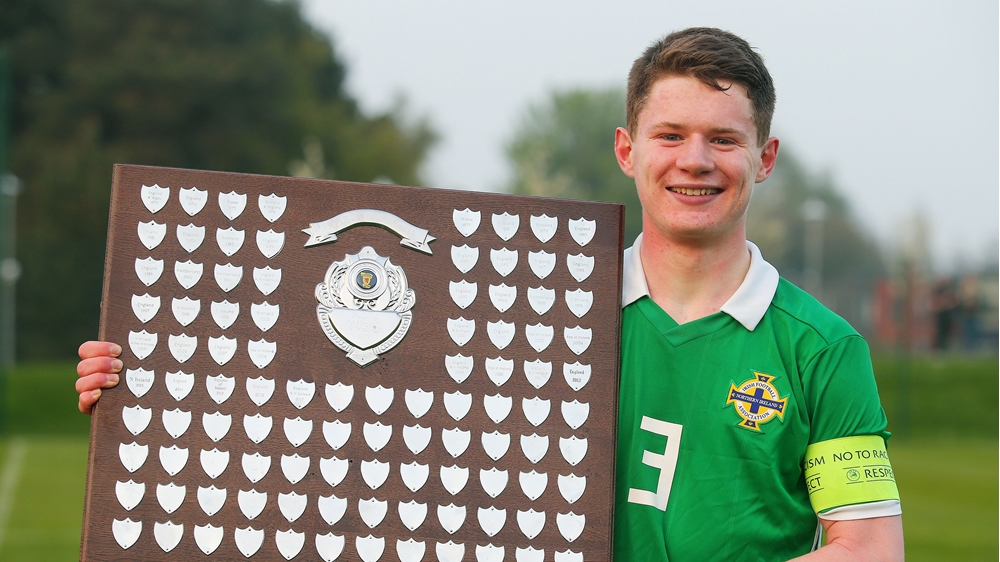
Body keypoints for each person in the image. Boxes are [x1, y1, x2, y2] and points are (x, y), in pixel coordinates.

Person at [77, 27, 903, 561]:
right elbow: (339, 413)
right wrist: (151, 384)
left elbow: (869, 547)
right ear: (627, 148)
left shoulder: (820, 347)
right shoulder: (538, 313)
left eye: (725, 139)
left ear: (764, 159)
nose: (696, 160)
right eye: (672, 135)